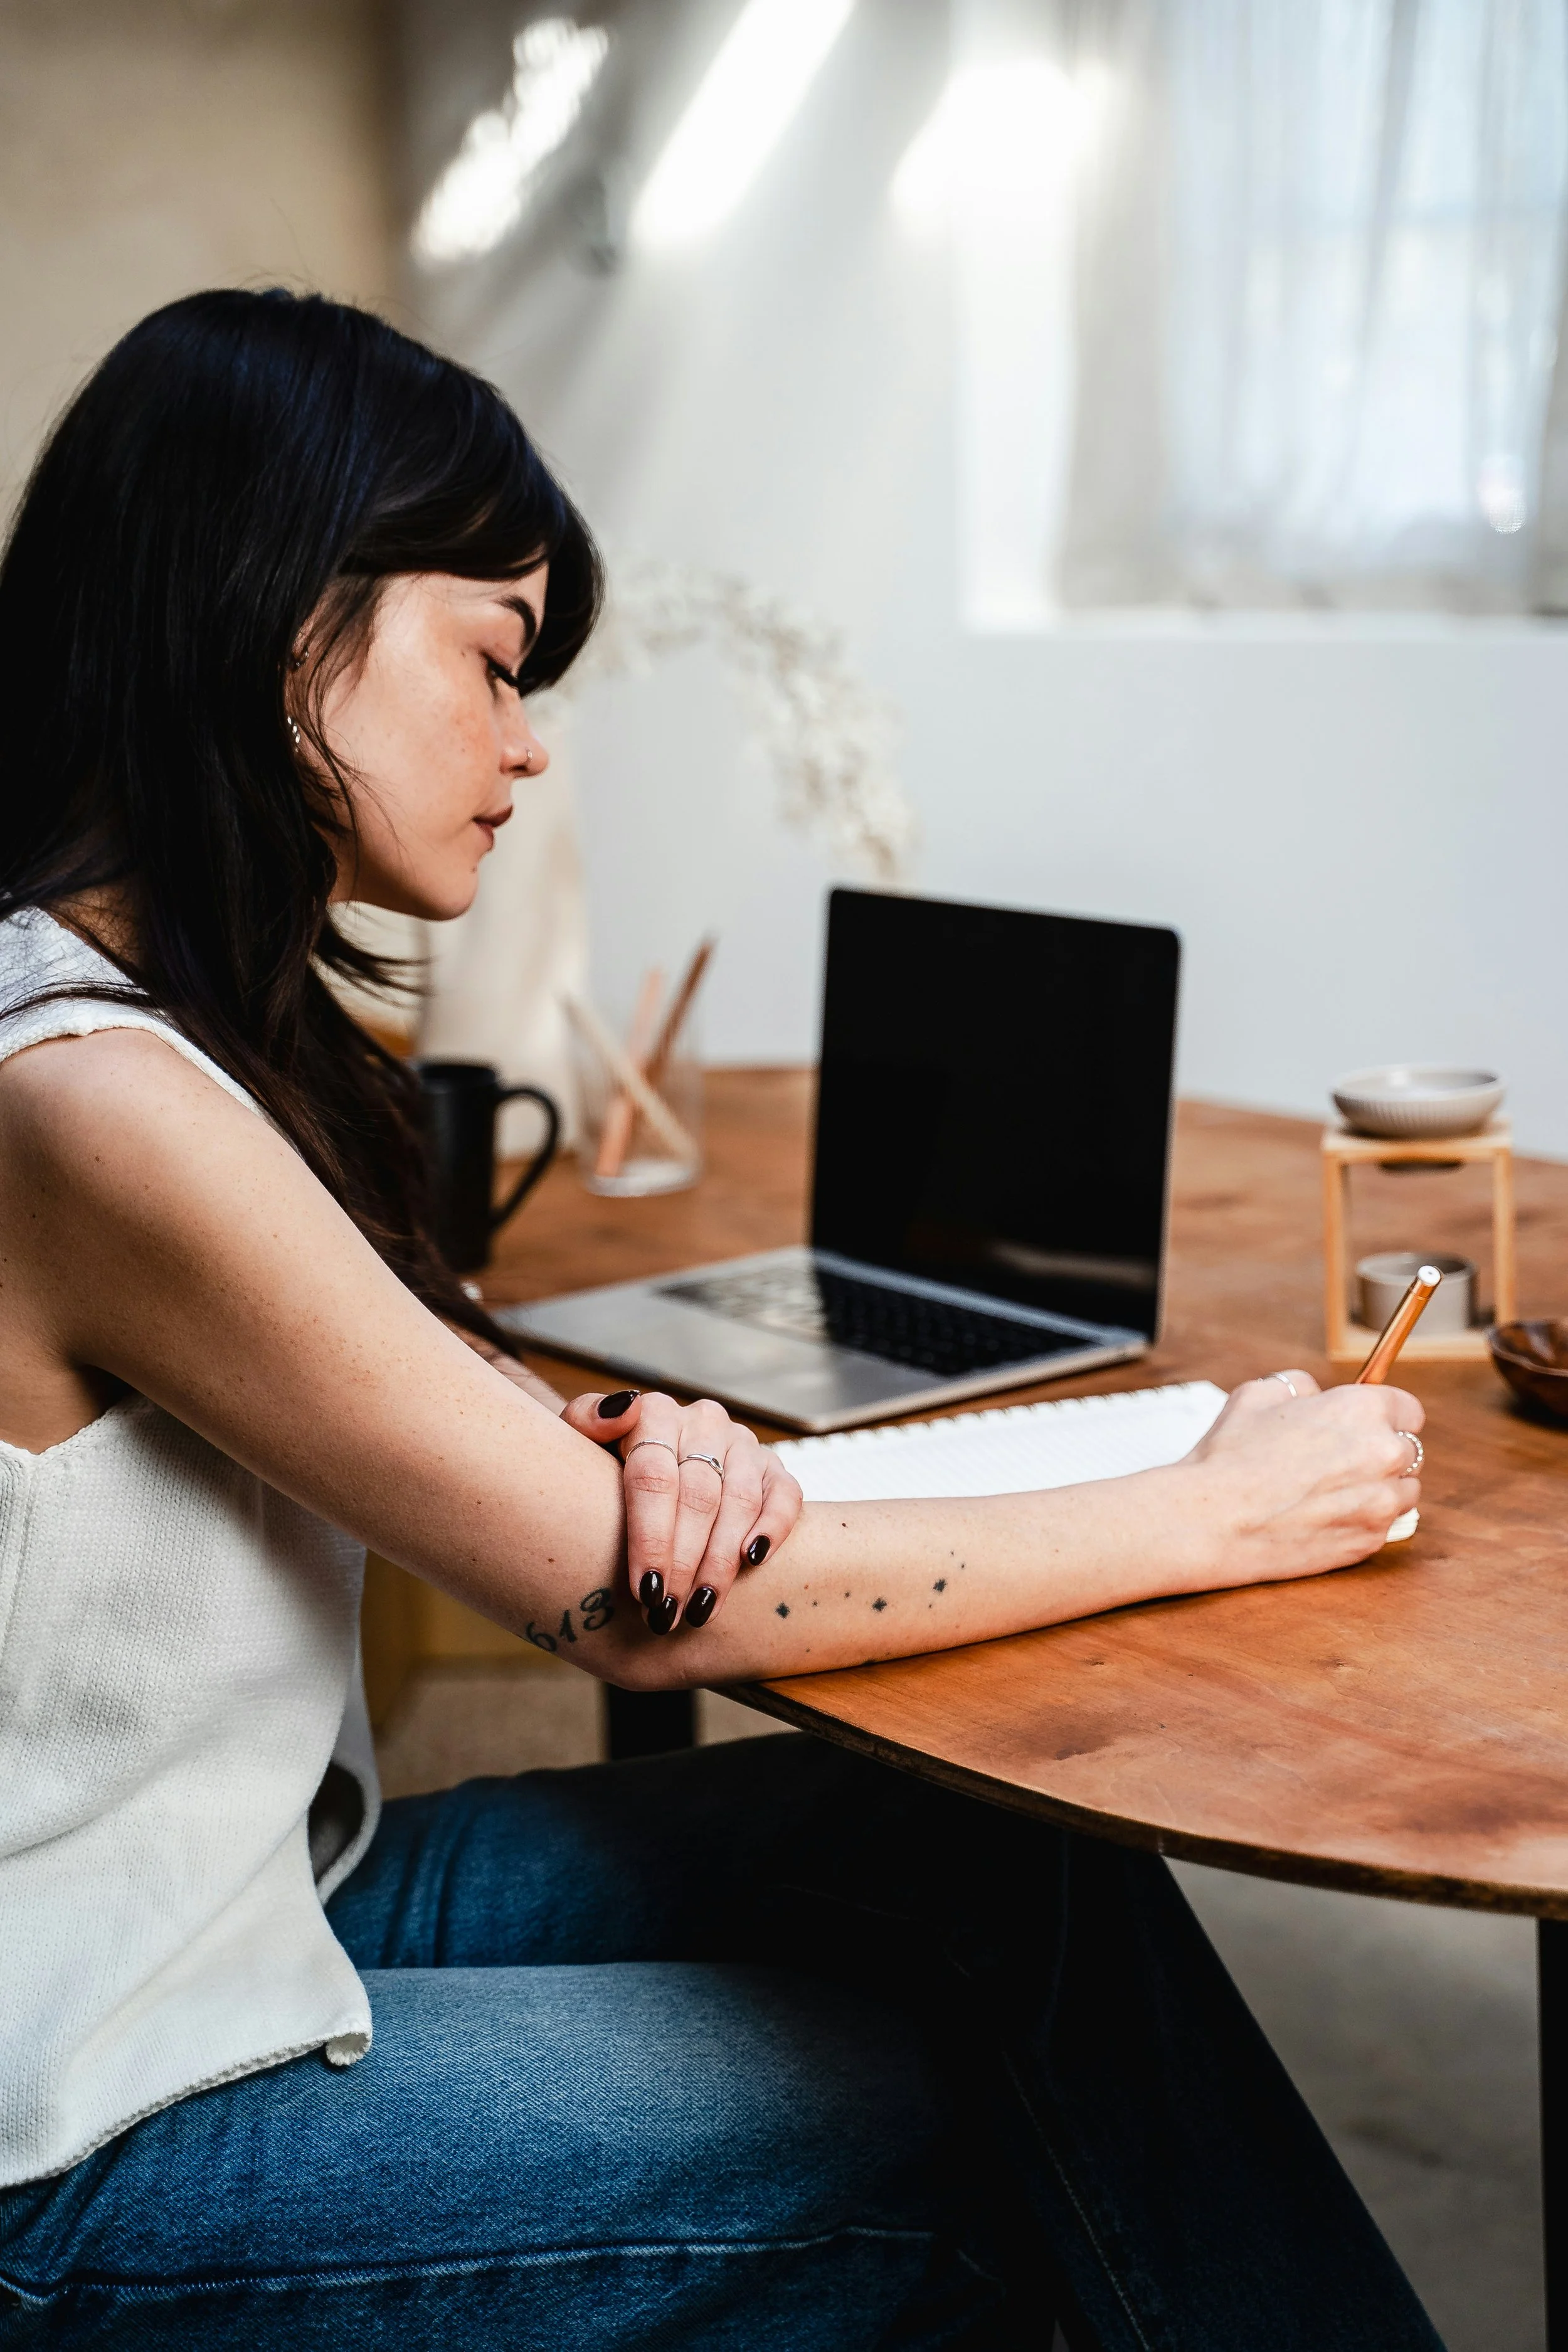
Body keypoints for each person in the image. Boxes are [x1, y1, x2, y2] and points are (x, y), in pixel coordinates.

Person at [0, 291, 1438, 2352]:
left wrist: (615, 1429)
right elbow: (636, 1606)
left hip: (233, 1898)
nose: (529, 744)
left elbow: (399, 1398)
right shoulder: (82, 1095)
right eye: (494, 661)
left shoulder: (155, 1026)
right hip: (71, 2112)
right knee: (939, 2117)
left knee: (999, 1882)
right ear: (277, 612)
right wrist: (1223, 1502)